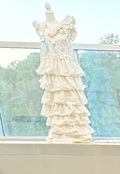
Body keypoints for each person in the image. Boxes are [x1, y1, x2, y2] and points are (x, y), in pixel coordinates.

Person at [33, 3, 92, 143]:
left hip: (66, 69)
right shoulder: (40, 27)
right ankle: (61, 134)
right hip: (52, 71)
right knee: (57, 102)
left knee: (71, 100)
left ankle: (76, 135)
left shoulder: (67, 24)